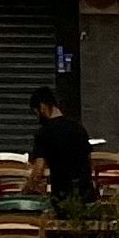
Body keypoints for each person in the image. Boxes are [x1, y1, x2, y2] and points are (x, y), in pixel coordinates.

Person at [29, 81, 92, 215]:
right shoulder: (78, 128)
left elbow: (38, 170)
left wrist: (25, 189)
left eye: (36, 113)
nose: (37, 117)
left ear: (42, 107)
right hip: (86, 195)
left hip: (62, 197)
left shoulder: (44, 133)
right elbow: (88, 160)